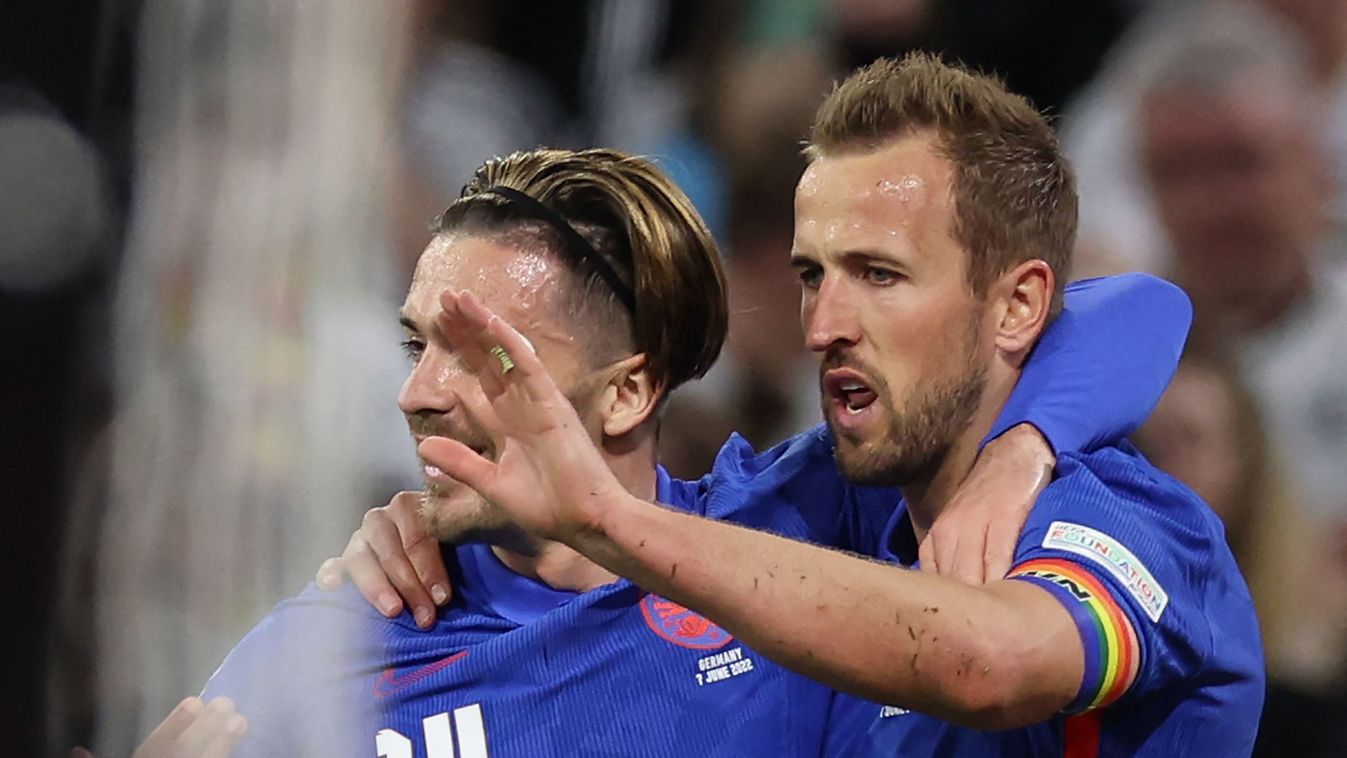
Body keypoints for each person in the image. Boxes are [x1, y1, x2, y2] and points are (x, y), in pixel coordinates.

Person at [188, 138, 1186, 753]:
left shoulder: (799, 522)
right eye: (416, 346)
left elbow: (1137, 312)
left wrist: (1023, 448)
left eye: (481, 358)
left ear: (628, 391)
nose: (416, 394)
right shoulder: (339, 638)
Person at [408, 53, 1263, 756]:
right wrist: (437, 534)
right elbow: (583, 580)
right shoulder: (816, 502)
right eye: (813, 275)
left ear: (1016, 306)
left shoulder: (1134, 519)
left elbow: (988, 664)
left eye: (878, 275)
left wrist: (602, 516)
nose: (822, 326)